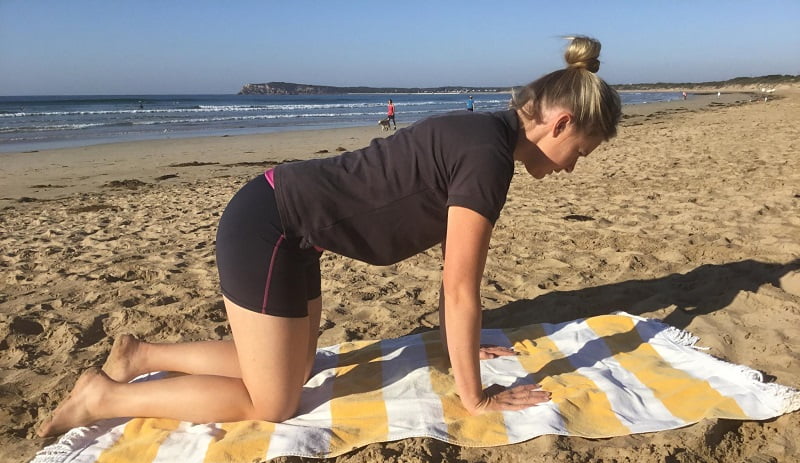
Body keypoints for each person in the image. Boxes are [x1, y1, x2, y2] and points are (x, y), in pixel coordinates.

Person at [38, 36, 622, 437]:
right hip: (268, 226)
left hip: (293, 231)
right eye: (580, 152)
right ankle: (103, 397)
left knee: (293, 369)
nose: (572, 166)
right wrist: (475, 396)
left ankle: (140, 354)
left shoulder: (482, 138)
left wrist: (461, 347)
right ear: (560, 122)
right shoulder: (486, 156)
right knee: (274, 403)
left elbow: (454, 285)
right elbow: (460, 288)